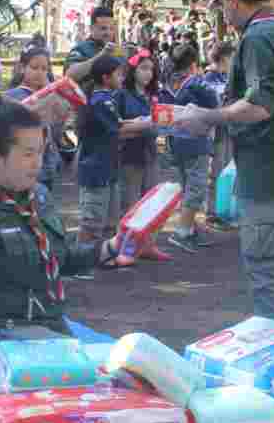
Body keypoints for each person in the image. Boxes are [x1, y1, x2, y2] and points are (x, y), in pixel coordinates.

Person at [178, 0, 274, 318]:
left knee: (267, 268)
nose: (223, 15)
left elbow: (259, 106)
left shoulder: (257, 37)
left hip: (266, 170)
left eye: (222, 6)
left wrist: (206, 117)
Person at [0, 97, 125, 338]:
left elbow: (62, 259)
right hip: (6, 335)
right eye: (28, 154)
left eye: (40, 152)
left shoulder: (40, 197)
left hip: (52, 326)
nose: (37, 163)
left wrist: (112, 246)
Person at [77, 56, 151, 260]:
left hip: (108, 166)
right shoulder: (101, 100)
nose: (122, 78)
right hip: (96, 168)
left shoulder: (107, 98)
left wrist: (139, 122)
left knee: (110, 219)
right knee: (92, 221)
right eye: (118, 74)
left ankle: (104, 255)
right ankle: (81, 259)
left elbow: (117, 125)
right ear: (105, 77)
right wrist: (149, 122)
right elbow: (118, 130)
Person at [159, 44, 219, 253]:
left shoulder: (168, 84)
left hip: (175, 140)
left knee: (186, 186)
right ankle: (183, 231)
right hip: (196, 141)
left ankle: (190, 228)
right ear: (193, 64)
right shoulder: (196, 83)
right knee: (196, 187)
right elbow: (214, 101)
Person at [115, 50, 168, 262]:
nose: (148, 73)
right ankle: (125, 249)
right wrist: (141, 125)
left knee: (151, 204)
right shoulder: (121, 95)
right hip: (129, 155)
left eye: (151, 69)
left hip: (151, 153)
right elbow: (115, 127)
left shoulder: (153, 94)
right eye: (143, 68)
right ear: (133, 70)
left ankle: (147, 245)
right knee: (131, 205)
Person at [5, 47, 63, 193]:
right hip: (24, 166)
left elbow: (62, 113)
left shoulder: (47, 93)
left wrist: (49, 89)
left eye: (44, 69)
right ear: (22, 68)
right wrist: (49, 94)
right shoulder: (12, 95)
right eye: (34, 67)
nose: (40, 73)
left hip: (47, 163)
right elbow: (28, 114)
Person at [203, 41, 236, 230]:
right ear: (224, 58)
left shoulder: (228, 76)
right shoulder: (209, 78)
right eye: (232, 57)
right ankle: (212, 212)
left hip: (230, 129)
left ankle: (224, 210)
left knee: (227, 172)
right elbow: (213, 105)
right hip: (216, 132)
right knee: (216, 172)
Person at [64, 7, 118, 87]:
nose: (108, 32)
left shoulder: (116, 49)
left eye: (111, 28)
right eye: (103, 28)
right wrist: (101, 55)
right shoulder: (81, 48)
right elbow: (69, 75)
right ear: (91, 29)